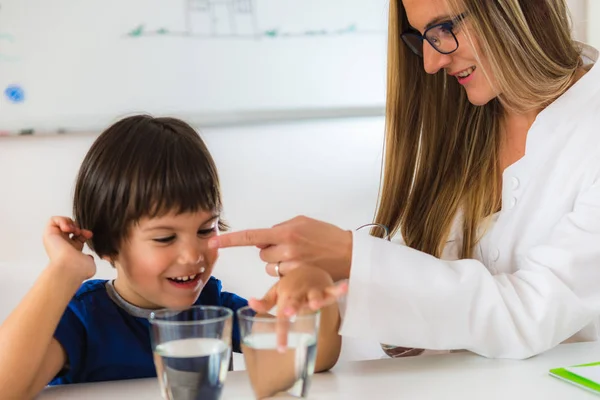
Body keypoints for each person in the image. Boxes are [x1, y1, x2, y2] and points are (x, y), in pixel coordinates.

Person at [208, 0, 600, 360]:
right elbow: (420, 286)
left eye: (444, 28)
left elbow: (530, 315)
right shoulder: (470, 119)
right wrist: (327, 276)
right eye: (422, 38)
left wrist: (352, 256)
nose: (430, 62)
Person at [0, 115, 342, 399]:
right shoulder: (84, 319)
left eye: (206, 230)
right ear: (108, 246)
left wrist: (315, 282)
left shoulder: (213, 309)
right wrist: (63, 270)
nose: (193, 254)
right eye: (165, 238)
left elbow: (313, 359)